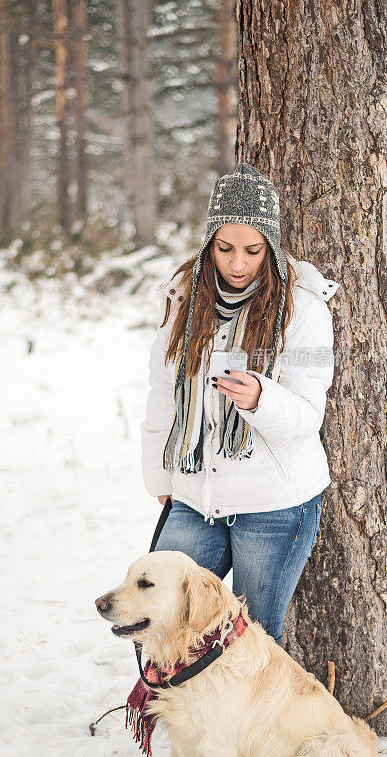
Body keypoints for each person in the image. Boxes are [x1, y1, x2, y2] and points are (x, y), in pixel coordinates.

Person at [140, 162, 340, 647]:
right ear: (209, 243)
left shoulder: (303, 308)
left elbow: (307, 414)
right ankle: (180, 720)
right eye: (225, 248)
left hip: (274, 503)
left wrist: (260, 398)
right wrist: (161, 478)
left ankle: (246, 726)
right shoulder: (183, 301)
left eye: (252, 250)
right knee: (163, 629)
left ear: (269, 246)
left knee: (253, 643)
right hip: (195, 495)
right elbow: (164, 393)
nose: (237, 263)